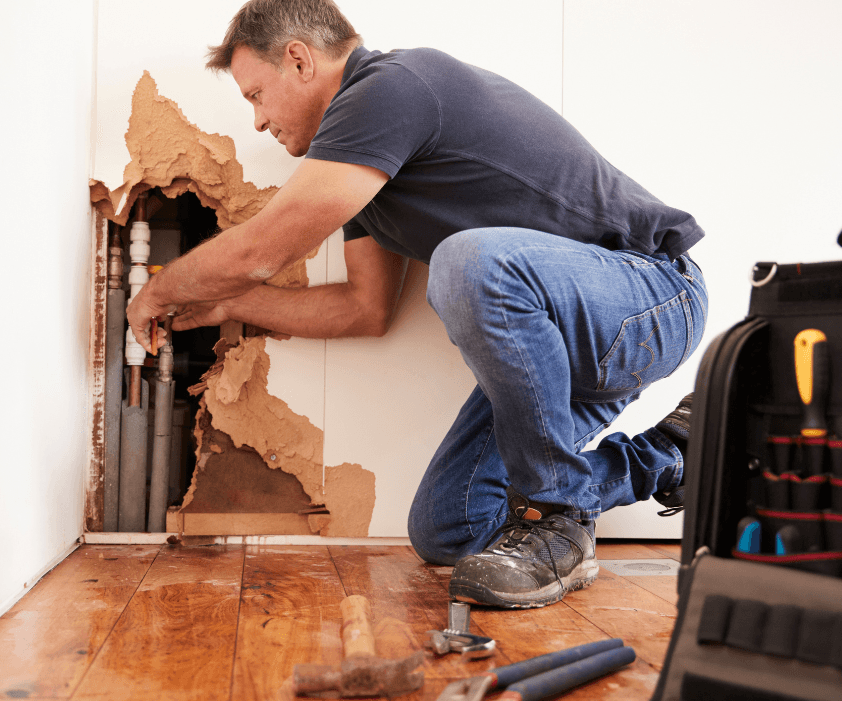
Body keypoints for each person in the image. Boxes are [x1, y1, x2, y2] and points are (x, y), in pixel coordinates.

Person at [127, 0, 707, 609]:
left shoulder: (393, 87)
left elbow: (263, 250)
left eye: (256, 96)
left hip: (650, 298)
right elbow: (364, 308)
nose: (257, 121)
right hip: (556, 351)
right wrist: (231, 305)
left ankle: (555, 517)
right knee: (450, 527)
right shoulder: (361, 176)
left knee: (469, 261)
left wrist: (160, 291)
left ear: (299, 60)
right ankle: (671, 455)